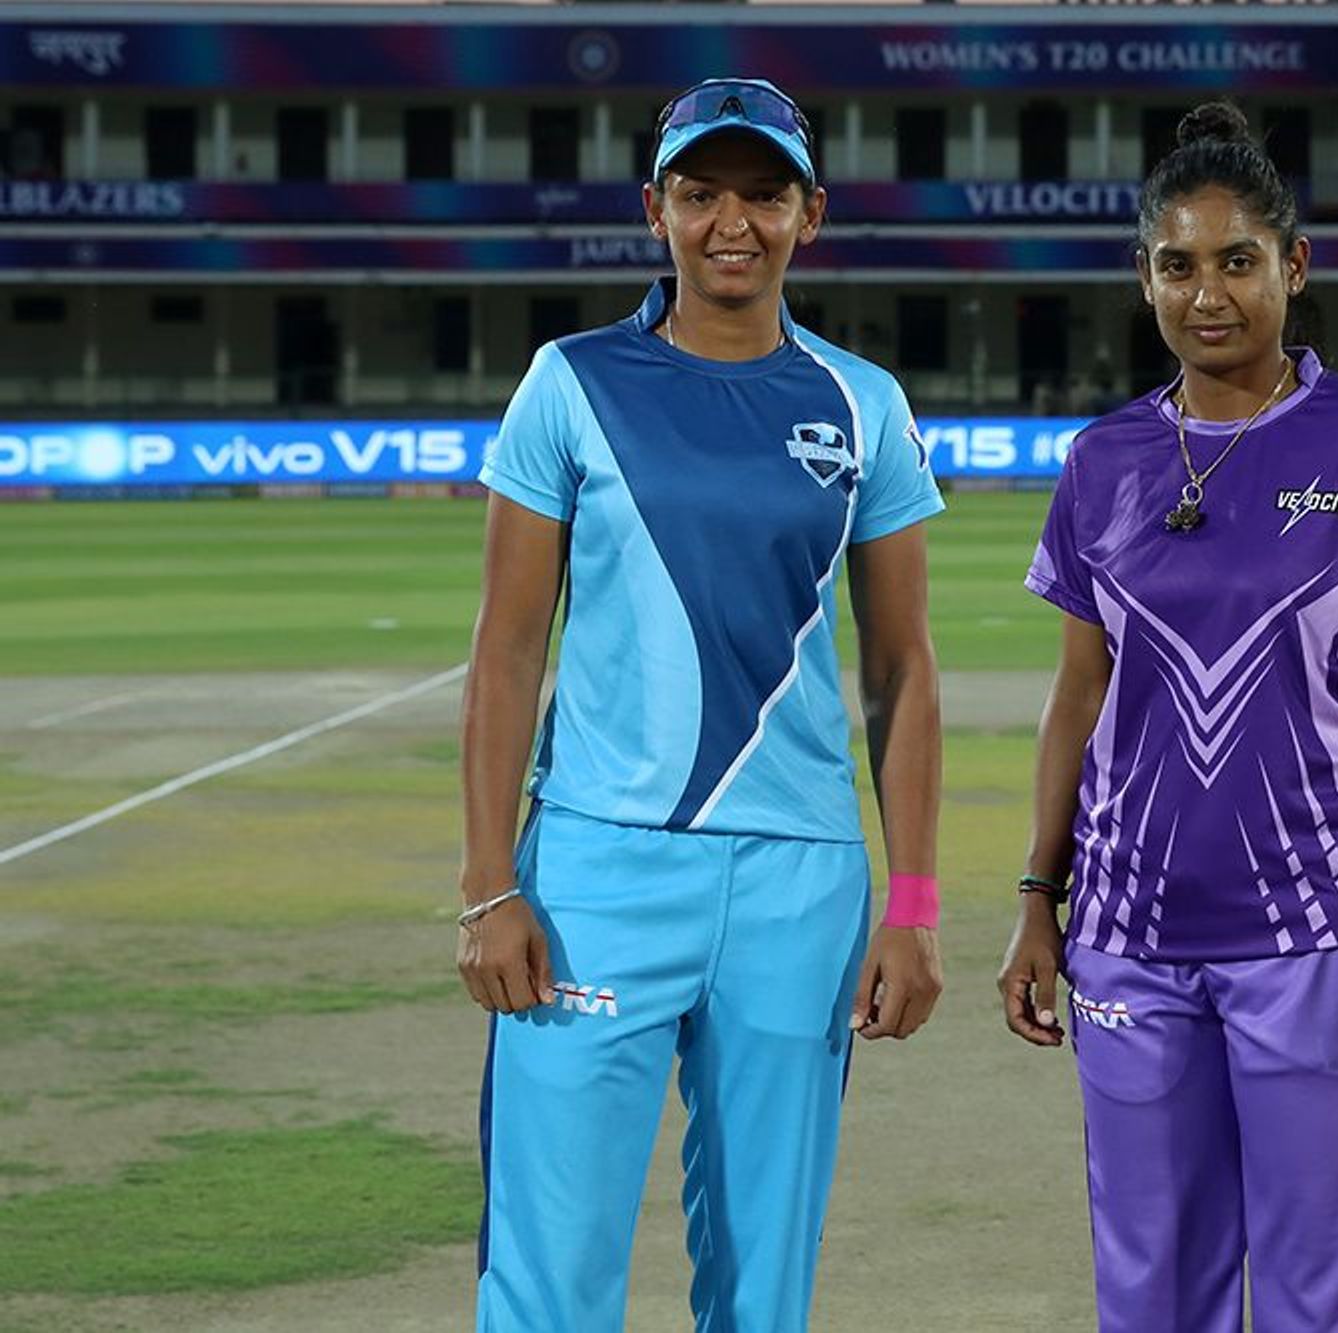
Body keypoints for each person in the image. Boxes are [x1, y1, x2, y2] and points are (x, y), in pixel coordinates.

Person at [457, 77, 945, 1333]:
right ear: (655, 209)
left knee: (763, 1282)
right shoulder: (569, 382)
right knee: (550, 1269)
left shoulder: (862, 402)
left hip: (799, 882)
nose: (733, 222)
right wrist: (487, 886)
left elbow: (900, 670)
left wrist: (912, 905)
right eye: (700, 194)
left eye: (764, 194)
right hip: (596, 874)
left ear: (808, 215)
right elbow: (506, 652)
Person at [997, 101, 1338, 1332]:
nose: (1205, 294)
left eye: (1236, 261)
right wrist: (1038, 898)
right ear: (1143, 278)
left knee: (1328, 1296)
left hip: (1314, 935)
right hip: (1125, 937)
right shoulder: (1101, 460)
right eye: (1176, 265)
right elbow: (1078, 693)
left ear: (1292, 267)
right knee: (1151, 1289)